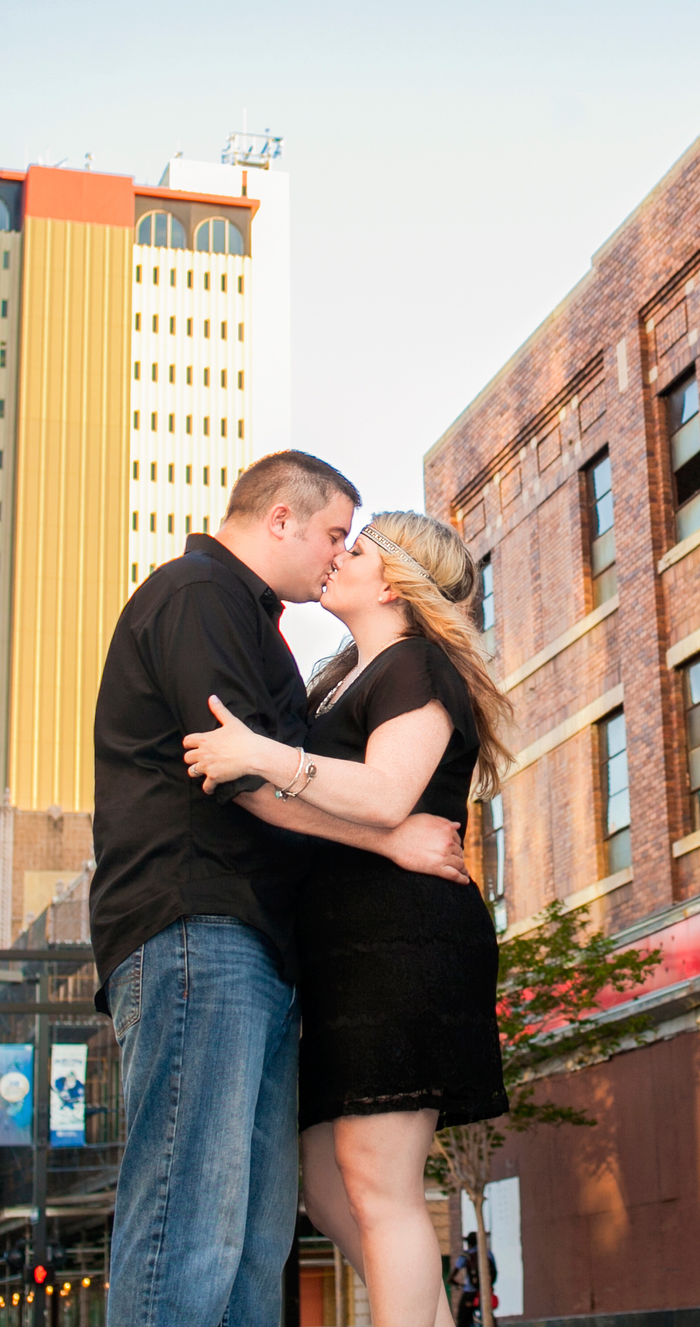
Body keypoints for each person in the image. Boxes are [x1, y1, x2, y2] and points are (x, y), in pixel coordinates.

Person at [92, 455, 474, 1327]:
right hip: (199, 925)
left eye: (355, 543)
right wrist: (393, 836)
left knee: (251, 1243)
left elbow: (280, 772)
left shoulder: (276, 635)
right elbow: (241, 778)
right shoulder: (201, 597)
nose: (339, 554)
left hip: (261, 948)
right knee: (190, 1224)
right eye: (336, 532)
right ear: (280, 519)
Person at [183, 511, 513, 1327]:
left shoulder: (417, 666)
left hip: (404, 941)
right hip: (343, 952)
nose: (337, 556)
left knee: (377, 1179)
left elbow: (384, 795)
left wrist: (262, 755)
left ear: (395, 579)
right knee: (331, 1185)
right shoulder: (342, 678)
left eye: (354, 546)